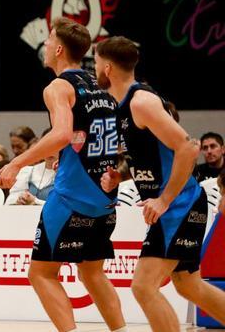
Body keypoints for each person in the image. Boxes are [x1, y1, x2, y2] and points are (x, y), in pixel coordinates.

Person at [0, 18, 126, 332]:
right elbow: (114, 143)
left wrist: (17, 163)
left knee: (41, 274)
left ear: (57, 48)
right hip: (105, 201)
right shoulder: (104, 88)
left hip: (70, 199)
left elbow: (62, 134)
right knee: (93, 274)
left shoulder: (58, 86)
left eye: (49, 39)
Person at [95, 36, 225, 331]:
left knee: (143, 286)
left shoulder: (141, 102)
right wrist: (121, 175)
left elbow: (188, 148)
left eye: (96, 62)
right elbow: (155, 156)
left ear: (107, 67)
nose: (94, 68)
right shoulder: (124, 104)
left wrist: (164, 199)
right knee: (190, 286)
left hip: (179, 204)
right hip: (177, 204)